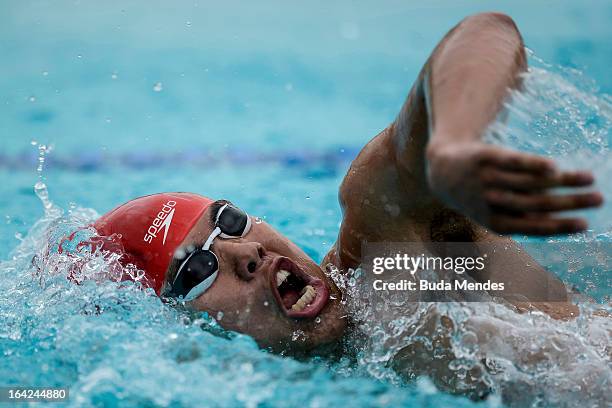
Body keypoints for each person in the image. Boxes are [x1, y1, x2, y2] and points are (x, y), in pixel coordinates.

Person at [91, 12, 603, 399]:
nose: (246, 251)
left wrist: (453, 140)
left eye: (231, 220)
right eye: (198, 269)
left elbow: (485, 32)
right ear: (175, 334)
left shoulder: (382, 247)